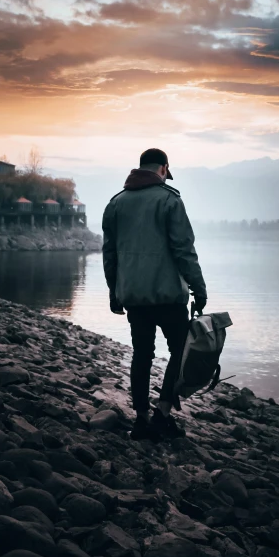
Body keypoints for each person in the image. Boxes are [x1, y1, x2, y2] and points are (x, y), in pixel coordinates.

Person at [102, 148, 207, 441]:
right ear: (163, 168)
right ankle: (162, 414)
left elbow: (109, 254)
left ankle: (141, 421)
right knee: (179, 352)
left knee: (142, 355)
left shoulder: (116, 204)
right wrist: (199, 288)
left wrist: (114, 291)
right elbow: (184, 251)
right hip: (168, 296)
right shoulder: (170, 200)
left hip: (134, 296)